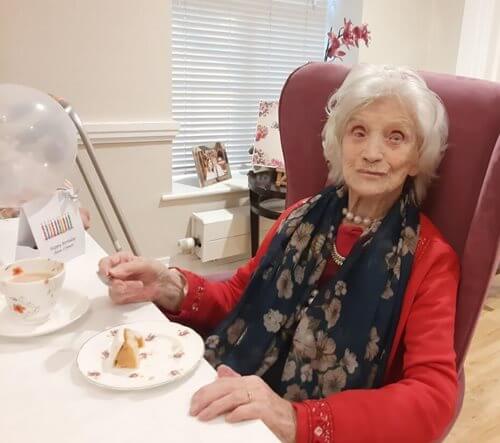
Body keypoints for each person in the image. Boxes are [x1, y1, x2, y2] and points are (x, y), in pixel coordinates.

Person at [98, 64, 459, 443]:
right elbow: (240, 298)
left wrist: (293, 419)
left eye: (395, 137)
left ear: (417, 158)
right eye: (358, 132)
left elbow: (433, 398)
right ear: (339, 142)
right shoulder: (299, 217)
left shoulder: (429, 258)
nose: (371, 152)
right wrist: (167, 284)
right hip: (233, 403)